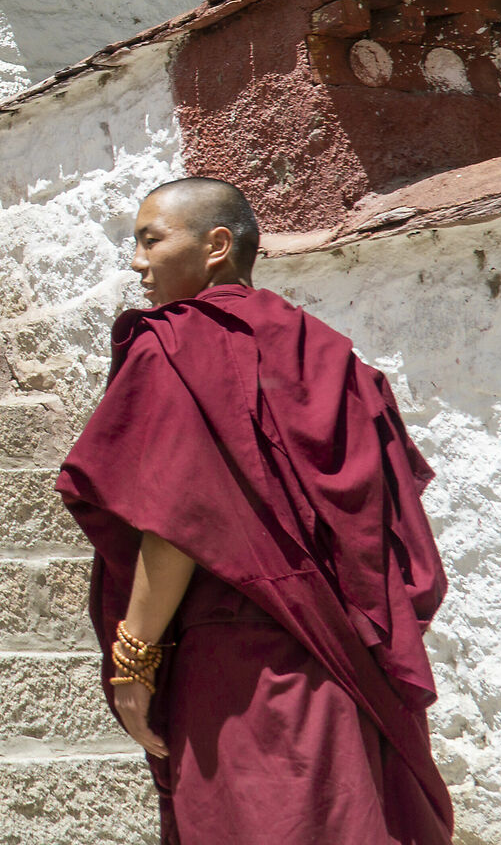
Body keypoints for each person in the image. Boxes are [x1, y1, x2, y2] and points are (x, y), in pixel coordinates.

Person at [57, 178, 452, 845]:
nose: (136, 262)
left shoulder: (176, 346)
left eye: (151, 240)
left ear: (216, 245)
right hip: (345, 663)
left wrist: (133, 662)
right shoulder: (330, 355)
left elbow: (178, 523)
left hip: (241, 670)